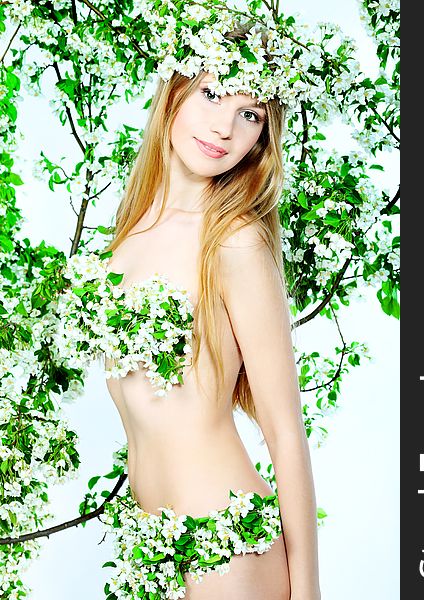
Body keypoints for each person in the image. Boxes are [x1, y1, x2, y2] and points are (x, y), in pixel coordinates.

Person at [101, 42, 321, 600]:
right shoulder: (128, 234)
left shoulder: (234, 242)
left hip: (225, 547)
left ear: (263, 137)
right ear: (175, 89)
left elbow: (284, 430)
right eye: (213, 93)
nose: (224, 127)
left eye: (250, 114)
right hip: (148, 547)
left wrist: (309, 589)